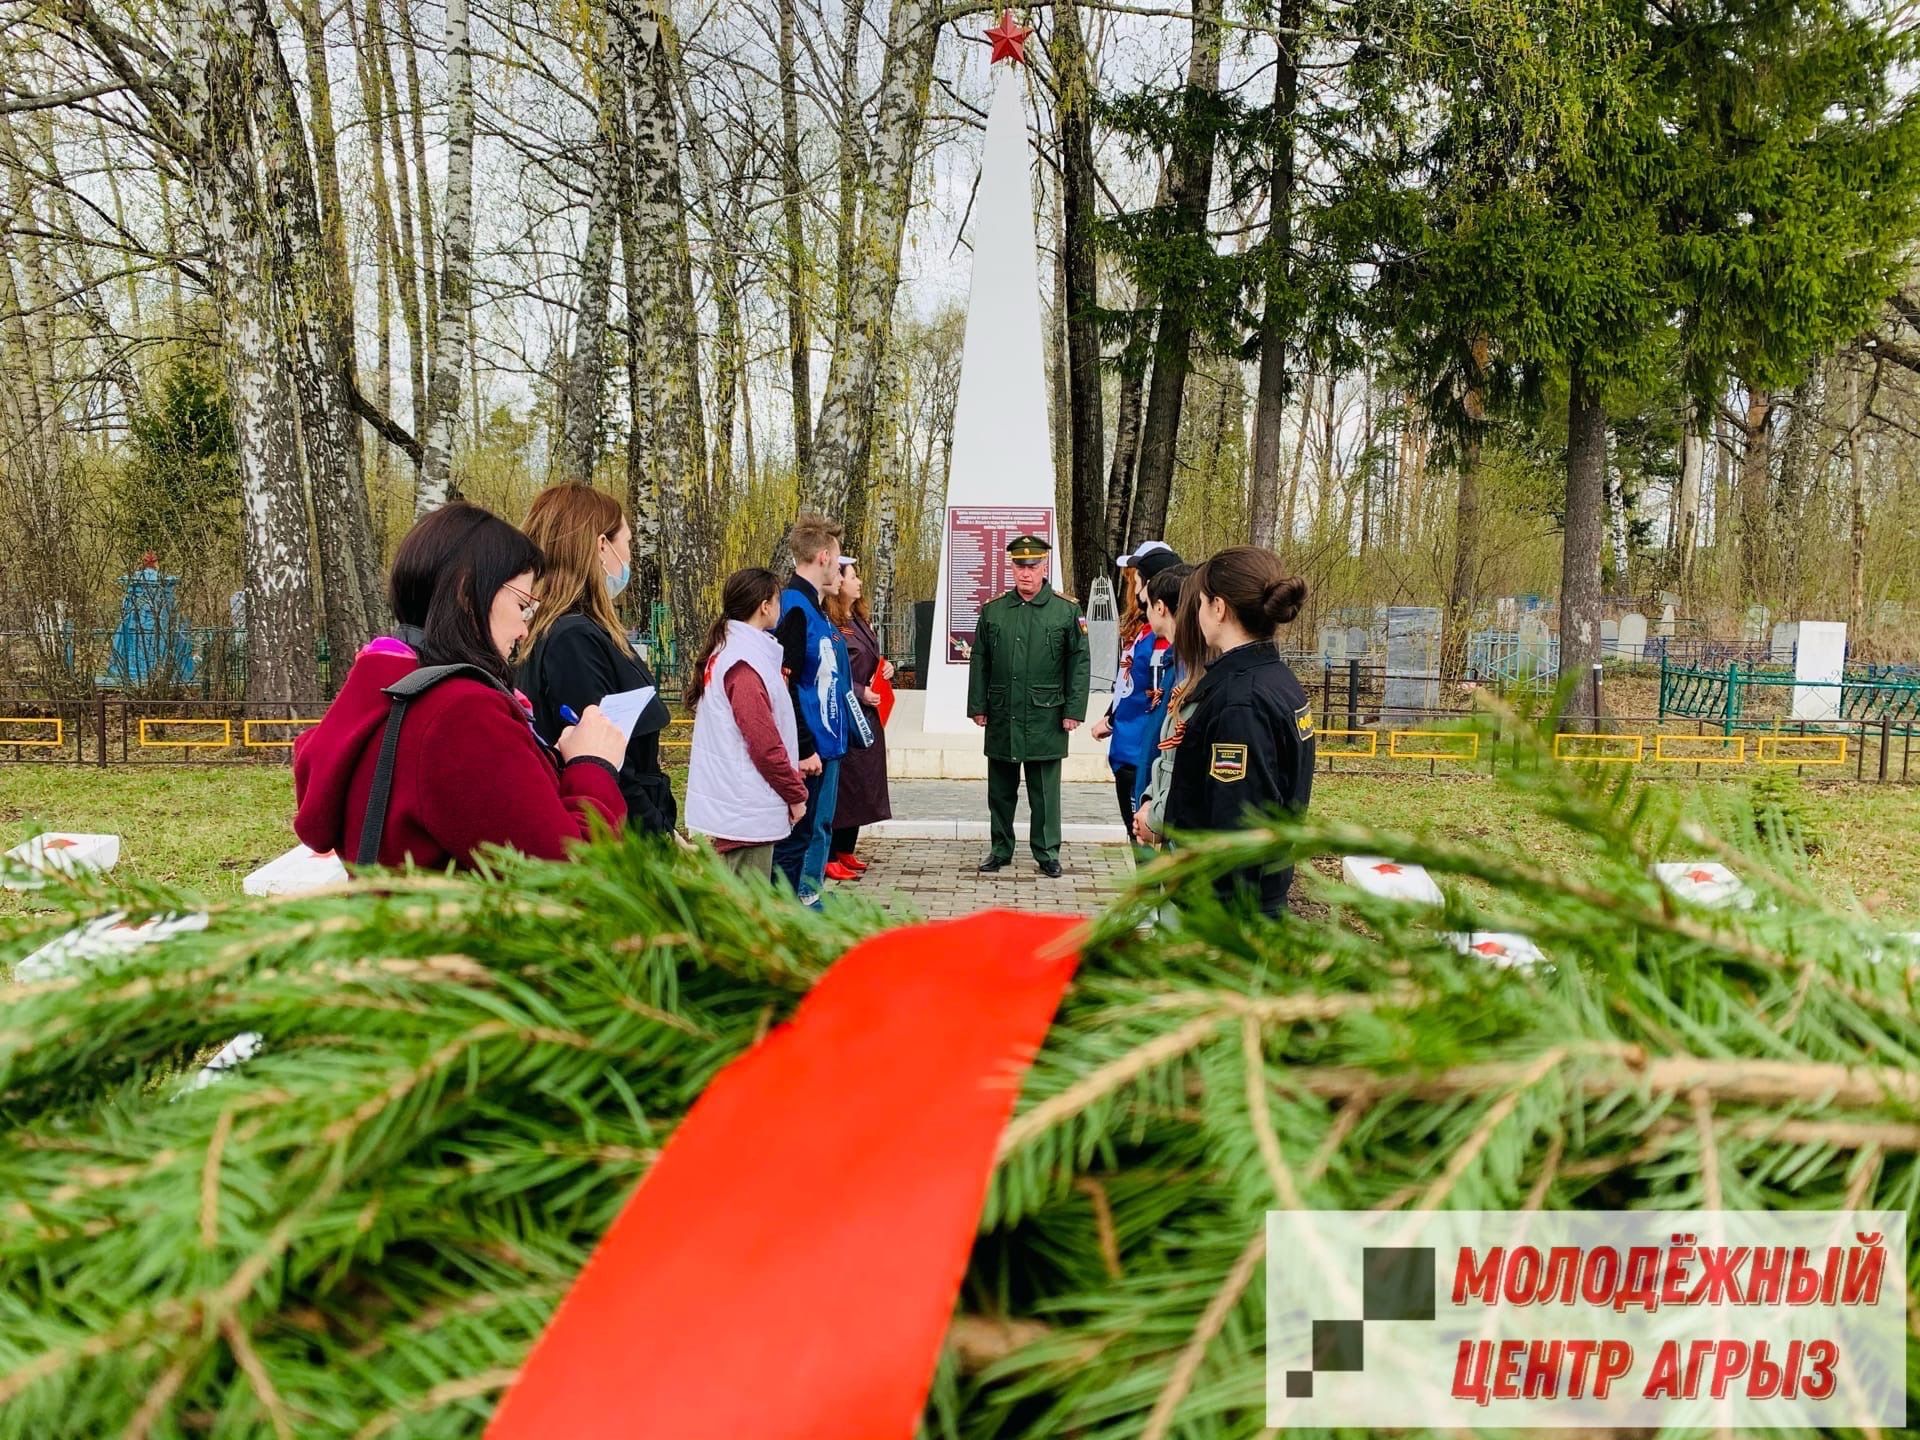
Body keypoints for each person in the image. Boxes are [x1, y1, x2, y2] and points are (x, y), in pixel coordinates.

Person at [293, 503, 628, 870]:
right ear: (469, 591)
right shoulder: (460, 714)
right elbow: (564, 875)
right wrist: (592, 765)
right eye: (522, 605)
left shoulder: (390, 691)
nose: (524, 629)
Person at [1163, 545, 1315, 915]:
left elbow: (1237, 825)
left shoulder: (1240, 703)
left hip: (1226, 912)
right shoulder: (1276, 680)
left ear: (1218, 608)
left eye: (1199, 603)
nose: (1196, 614)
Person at [517, 484, 676, 836]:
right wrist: (661, 838)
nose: (630, 557)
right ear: (602, 546)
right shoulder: (573, 638)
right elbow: (609, 762)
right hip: (622, 836)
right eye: (628, 543)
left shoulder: (572, 631)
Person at [966, 534, 1091, 878]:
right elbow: (980, 660)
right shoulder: (994, 611)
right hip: (1004, 712)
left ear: (1044, 566)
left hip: (1046, 714)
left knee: (1045, 793)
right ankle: (1000, 848)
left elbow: (1079, 662)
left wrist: (1073, 710)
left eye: (1032, 566)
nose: (1026, 573)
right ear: (1012, 567)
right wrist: (978, 705)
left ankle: (1047, 852)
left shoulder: (1066, 610)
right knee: (1001, 790)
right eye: (1020, 566)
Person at [683, 568, 810, 879]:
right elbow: (764, 743)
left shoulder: (730, 652)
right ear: (765, 606)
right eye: (777, 601)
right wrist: (795, 793)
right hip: (746, 807)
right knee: (746, 907)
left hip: (738, 803)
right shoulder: (744, 663)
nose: (780, 608)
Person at [771, 515, 851, 905]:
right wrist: (803, 747)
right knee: (799, 832)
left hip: (827, 743)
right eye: (837, 560)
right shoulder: (794, 609)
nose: (839, 568)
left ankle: (808, 892)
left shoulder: (816, 609)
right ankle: (794, 902)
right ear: (822, 557)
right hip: (809, 748)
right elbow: (782, 684)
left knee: (818, 826)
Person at [1090, 542, 1183, 861]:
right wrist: (1111, 717)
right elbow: (1126, 685)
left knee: (1146, 840)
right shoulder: (1144, 630)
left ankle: (1150, 905)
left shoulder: (1163, 639)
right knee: (1137, 839)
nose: (1133, 585)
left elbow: (1159, 698)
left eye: (1136, 577)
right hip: (1127, 748)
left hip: (1142, 751)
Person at [825, 558, 892, 879]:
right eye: (854, 576)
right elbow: (830, 671)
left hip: (867, 713)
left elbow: (869, 658)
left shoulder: (859, 618)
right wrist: (859, 690)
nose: (859, 581)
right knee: (846, 784)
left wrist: (885, 668)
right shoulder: (832, 623)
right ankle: (828, 854)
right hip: (847, 712)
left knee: (864, 782)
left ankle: (845, 850)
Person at [1132, 562, 1199, 851]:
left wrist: (1154, 813)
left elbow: (1179, 751)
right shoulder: (1179, 660)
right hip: (1158, 806)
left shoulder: (1190, 667)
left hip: (1169, 822)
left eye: (1145, 601)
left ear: (1160, 608)